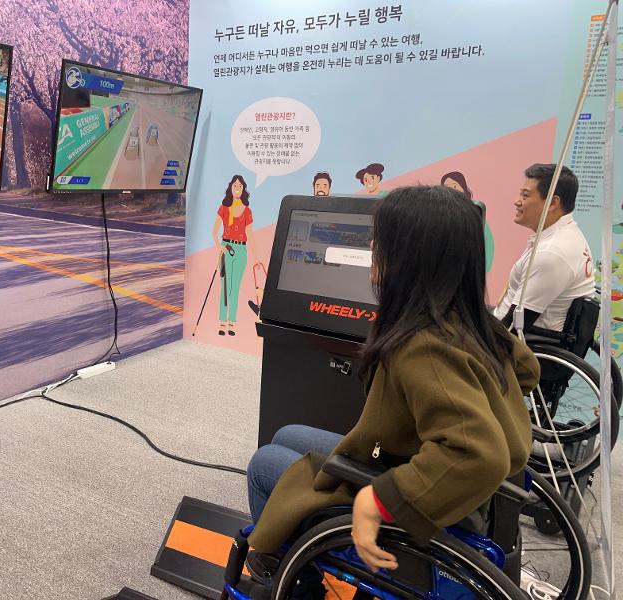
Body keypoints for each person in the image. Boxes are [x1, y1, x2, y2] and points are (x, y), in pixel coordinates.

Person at [245, 186, 540, 586]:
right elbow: (527, 370)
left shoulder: (424, 345)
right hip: (439, 476)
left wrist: (378, 500)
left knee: (264, 465)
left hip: (419, 492)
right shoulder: (471, 319)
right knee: (287, 434)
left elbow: (478, 455)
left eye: (380, 241)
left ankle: (288, 577)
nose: (371, 246)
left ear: (409, 259)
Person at [494, 163, 595, 333]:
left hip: (523, 345)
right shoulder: (566, 234)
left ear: (552, 203)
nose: (517, 201)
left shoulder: (552, 253)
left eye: (525, 196)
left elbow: (513, 329)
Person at [211, 175, 261, 336]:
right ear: (230, 188)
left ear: (243, 189)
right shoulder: (223, 208)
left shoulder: (247, 211)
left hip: (241, 251)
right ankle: (221, 321)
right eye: (235, 185)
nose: (237, 188)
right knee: (225, 287)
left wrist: (255, 258)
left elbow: (250, 235)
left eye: (240, 186)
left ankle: (232, 322)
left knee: (235, 288)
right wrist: (219, 247)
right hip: (226, 248)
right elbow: (214, 232)